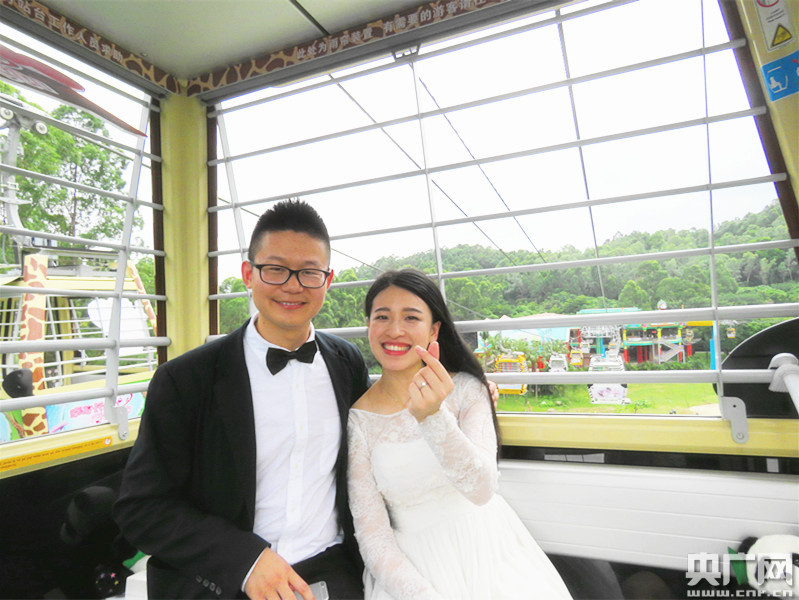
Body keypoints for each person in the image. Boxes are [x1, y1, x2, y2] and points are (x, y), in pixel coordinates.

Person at [114, 199, 370, 600]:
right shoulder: (185, 379)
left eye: (309, 272)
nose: (292, 285)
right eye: (275, 269)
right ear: (249, 274)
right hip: (221, 579)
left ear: (328, 279)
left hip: (331, 571)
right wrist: (246, 561)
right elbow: (142, 507)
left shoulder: (348, 363)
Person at [347, 269, 573, 600]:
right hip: (412, 570)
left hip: (490, 553)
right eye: (382, 316)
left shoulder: (467, 389)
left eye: (411, 317)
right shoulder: (359, 420)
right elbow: (373, 538)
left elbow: (481, 489)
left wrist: (432, 417)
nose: (394, 330)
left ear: (434, 330)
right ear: (368, 324)